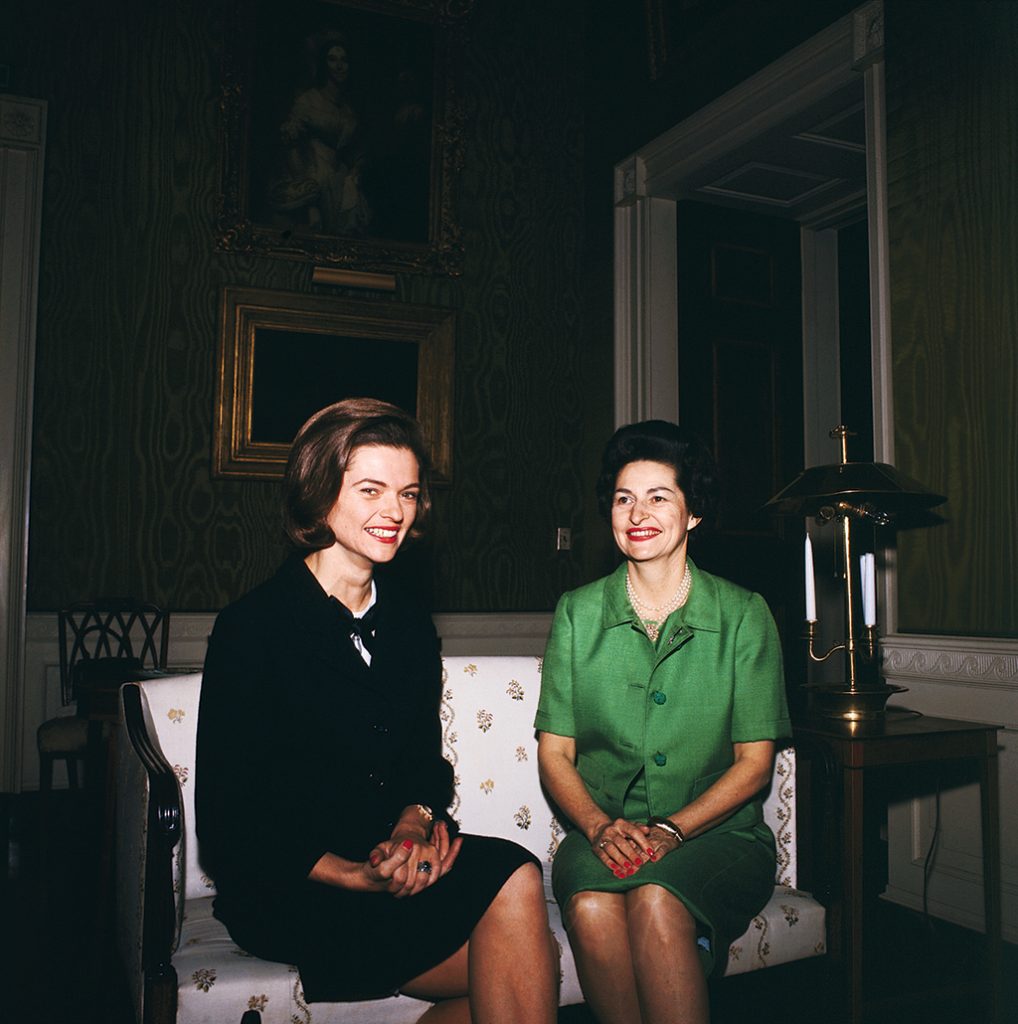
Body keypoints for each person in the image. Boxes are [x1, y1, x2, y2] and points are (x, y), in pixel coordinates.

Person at [196, 398, 557, 1023]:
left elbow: (422, 761)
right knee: (525, 965)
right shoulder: (252, 628)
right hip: (298, 887)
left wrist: (412, 828)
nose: (394, 511)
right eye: (371, 489)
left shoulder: (411, 624)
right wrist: (351, 875)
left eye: (409, 493)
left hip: (390, 865)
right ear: (318, 493)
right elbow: (230, 823)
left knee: (516, 871)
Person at [535, 420, 791, 1024]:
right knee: (595, 908)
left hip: (717, 837)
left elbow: (755, 766)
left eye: (659, 497)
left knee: (655, 897)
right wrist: (597, 827)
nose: (637, 512)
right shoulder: (578, 613)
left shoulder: (745, 615)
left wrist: (674, 830)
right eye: (624, 498)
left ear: (693, 512)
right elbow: (555, 755)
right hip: (603, 836)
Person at [268, 32, 372, 235]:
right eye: (332, 59)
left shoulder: (349, 109)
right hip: (314, 172)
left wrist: (356, 171)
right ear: (324, 64)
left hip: (340, 178)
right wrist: (310, 200)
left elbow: (355, 151)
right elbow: (292, 145)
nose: (339, 65)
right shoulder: (309, 100)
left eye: (344, 60)